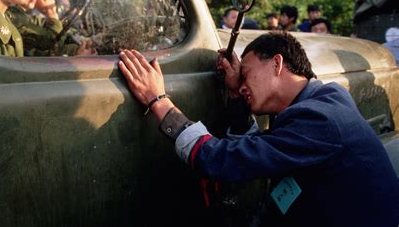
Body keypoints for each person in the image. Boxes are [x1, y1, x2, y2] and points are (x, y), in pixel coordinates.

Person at [117, 32, 398, 227]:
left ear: (277, 63)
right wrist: (239, 98)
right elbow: (265, 149)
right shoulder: (321, 102)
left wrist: (159, 101)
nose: (240, 83)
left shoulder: (321, 121)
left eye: (247, 73)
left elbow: (220, 159)